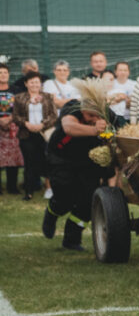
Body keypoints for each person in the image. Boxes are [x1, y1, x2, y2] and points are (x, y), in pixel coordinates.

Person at [40, 86, 112, 250]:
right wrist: (95, 129)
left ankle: (72, 240)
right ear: (82, 108)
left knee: (88, 200)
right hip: (61, 157)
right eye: (89, 115)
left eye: (97, 115)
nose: (93, 118)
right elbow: (68, 128)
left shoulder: (108, 114)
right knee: (65, 196)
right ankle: (52, 212)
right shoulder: (72, 107)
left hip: (88, 160)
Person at [12, 72, 57, 201]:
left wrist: (43, 125)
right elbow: (15, 116)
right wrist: (26, 123)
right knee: (29, 163)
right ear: (26, 84)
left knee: (47, 160)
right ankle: (29, 191)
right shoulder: (20, 98)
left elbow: (54, 115)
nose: (34, 85)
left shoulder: (48, 97)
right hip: (27, 134)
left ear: (40, 84)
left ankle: (49, 188)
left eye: (37, 82)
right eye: (31, 82)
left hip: (44, 134)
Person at [0, 63, 23, 195]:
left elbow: (21, 108)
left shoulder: (16, 90)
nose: (3, 75)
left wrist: (10, 119)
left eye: (5, 72)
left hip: (12, 128)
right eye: (0, 72)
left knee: (12, 158)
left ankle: (12, 186)